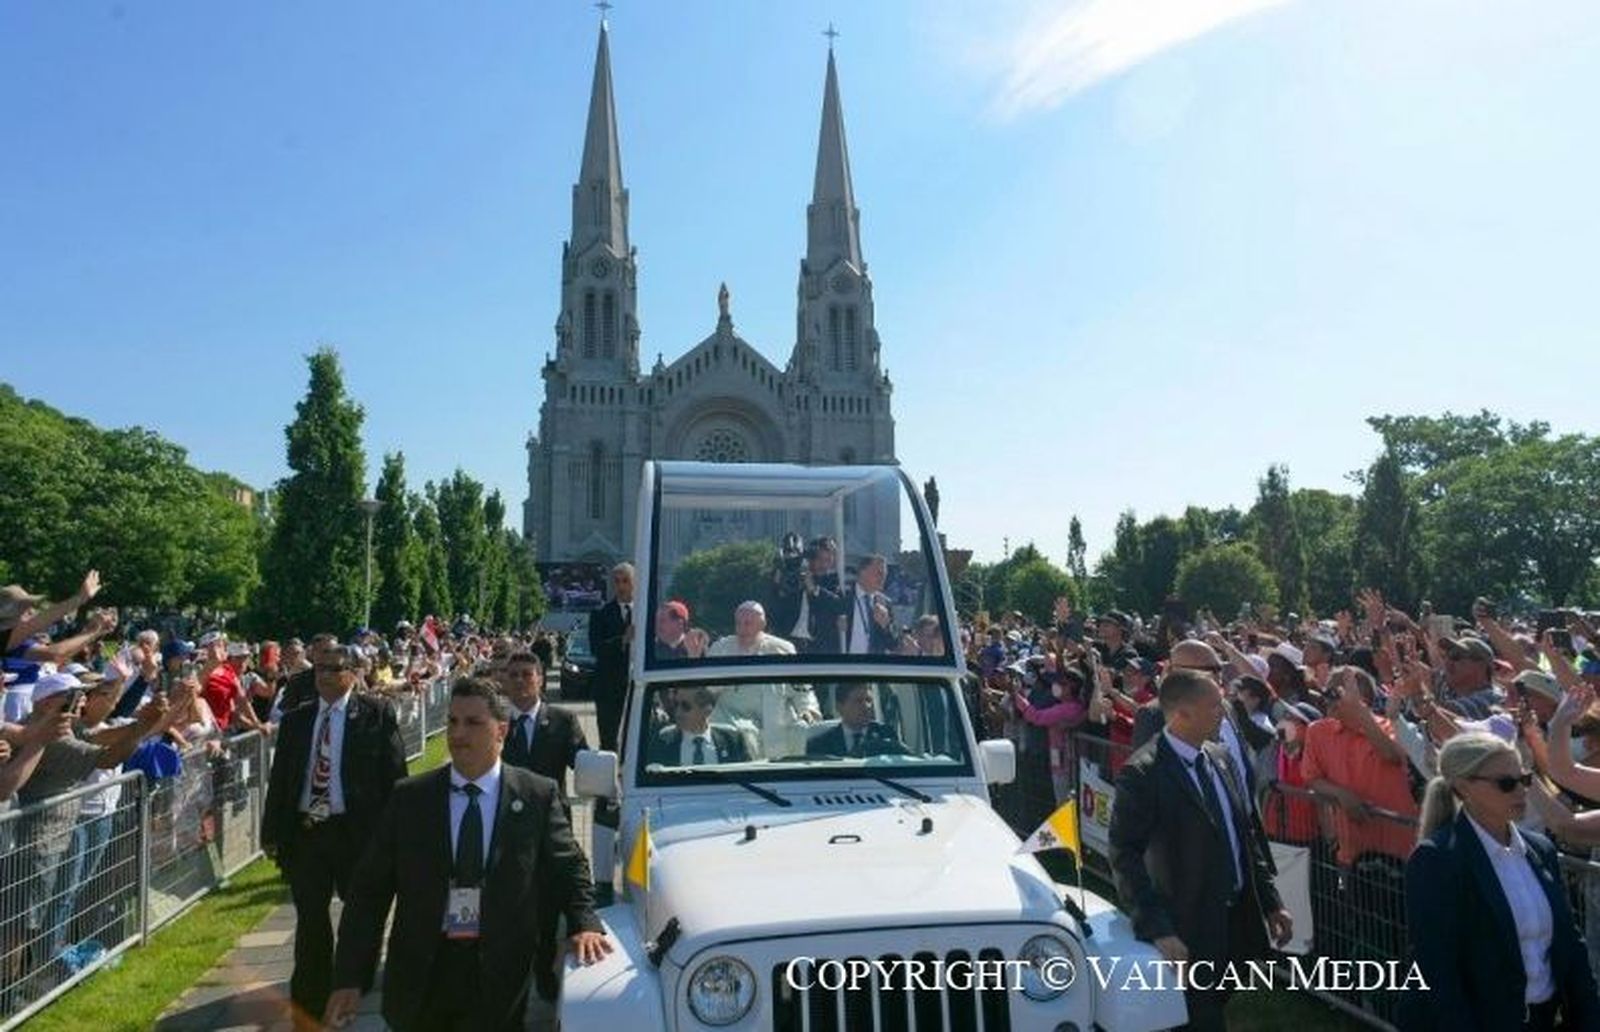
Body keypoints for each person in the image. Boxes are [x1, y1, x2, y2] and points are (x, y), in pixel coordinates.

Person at [322, 678, 611, 1031]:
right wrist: (349, 975)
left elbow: (569, 866)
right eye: (453, 722)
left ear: (501, 731)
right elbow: (369, 891)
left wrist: (584, 923)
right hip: (423, 972)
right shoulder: (411, 798)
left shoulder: (536, 795)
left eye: (473, 723)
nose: (459, 734)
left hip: (498, 975)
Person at [1108, 668, 1293, 1032]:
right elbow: (1125, 855)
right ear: (1181, 714)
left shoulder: (1220, 757)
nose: (1222, 712)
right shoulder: (1143, 773)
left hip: (1237, 921)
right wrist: (1158, 928)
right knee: (1200, 1019)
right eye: (1213, 706)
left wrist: (1270, 900)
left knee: (1218, 1005)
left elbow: (1244, 836)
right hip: (1189, 927)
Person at [1402, 731, 1600, 1032]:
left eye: (1524, 779)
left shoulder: (1541, 850)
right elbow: (1438, 971)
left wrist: (1589, 1017)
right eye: (1506, 783)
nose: (1521, 791)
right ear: (1463, 787)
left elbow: (1569, 944)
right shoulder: (1437, 860)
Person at [260, 644, 409, 1023]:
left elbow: (395, 778)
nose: (324, 676)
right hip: (308, 832)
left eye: (333, 669)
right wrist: (271, 831)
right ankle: (309, 997)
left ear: (353, 672)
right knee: (311, 918)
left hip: (356, 833)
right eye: (319, 668)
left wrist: (395, 836)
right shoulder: (298, 720)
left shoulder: (375, 715)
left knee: (358, 913)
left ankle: (353, 981)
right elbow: (281, 780)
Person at [588, 563, 635, 752]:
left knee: (634, 741)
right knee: (609, 742)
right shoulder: (600, 613)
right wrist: (622, 640)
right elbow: (596, 648)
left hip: (636, 688)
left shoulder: (646, 613)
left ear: (635, 583)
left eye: (625, 581)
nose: (621, 586)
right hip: (608, 689)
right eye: (616, 582)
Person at [647, 686, 750, 766]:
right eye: (676, 704)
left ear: (706, 710)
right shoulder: (662, 740)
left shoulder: (732, 740)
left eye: (685, 706)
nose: (678, 712)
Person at [806, 684, 908, 758]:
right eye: (858, 701)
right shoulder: (819, 745)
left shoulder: (886, 734)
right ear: (840, 707)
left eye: (868, 700)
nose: (866, 706)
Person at [840, 555, 898, 656]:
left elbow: (893, 644)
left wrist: (885, 625)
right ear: (863, 572)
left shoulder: (885, 603)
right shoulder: (843, 596)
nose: (882, 578)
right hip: (844, 666)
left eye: (885, 575)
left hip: (872, 668)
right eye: (879, 573)